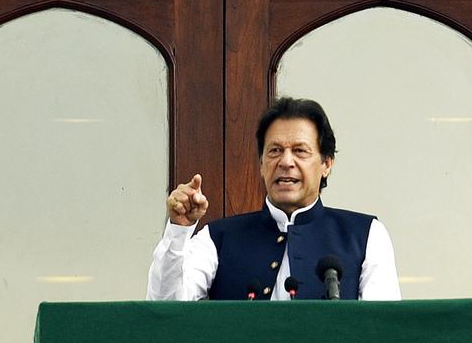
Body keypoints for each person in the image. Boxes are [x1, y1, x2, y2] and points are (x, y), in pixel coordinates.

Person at [147, 97, 401, 301]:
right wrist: (179, 230)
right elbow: (167, 310)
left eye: (300, 151)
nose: (286, 162)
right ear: (261, 164)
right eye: (275, 151)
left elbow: (379, 331)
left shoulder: (367, 235)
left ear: (326, 163)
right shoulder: (216, 238)